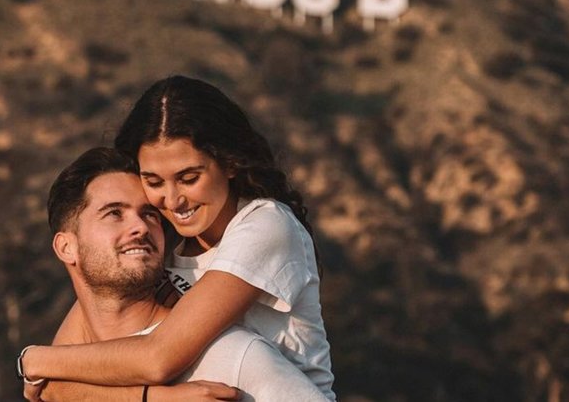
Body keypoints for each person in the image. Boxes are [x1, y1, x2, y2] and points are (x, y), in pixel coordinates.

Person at [21, 76, 335, 400]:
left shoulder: (265, 225)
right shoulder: (162, 232)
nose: (172, 201)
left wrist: (33, 359)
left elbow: (158, 357)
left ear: (230, 163)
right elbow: (53, 384)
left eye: (188, 178)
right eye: (153, 181)